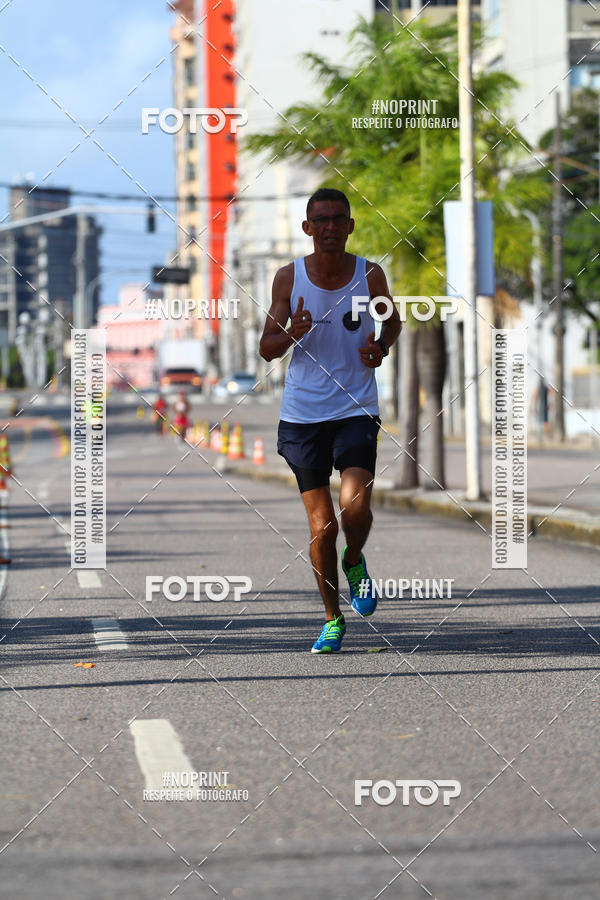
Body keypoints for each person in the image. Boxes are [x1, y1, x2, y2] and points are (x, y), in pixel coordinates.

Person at [259, 188, 401, 653]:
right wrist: (288, 333)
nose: (330, 227)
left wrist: (380, 347)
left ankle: (355, 559)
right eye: (321, 219)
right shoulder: (288, 278)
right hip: (303, 416)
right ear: (307, 228)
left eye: (339, 219)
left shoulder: (369, 274)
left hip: (356, 407)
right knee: (322, 525)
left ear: (350, 225)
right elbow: (266, 348)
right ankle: (331, 617)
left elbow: (392, 321)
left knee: (354, 504)